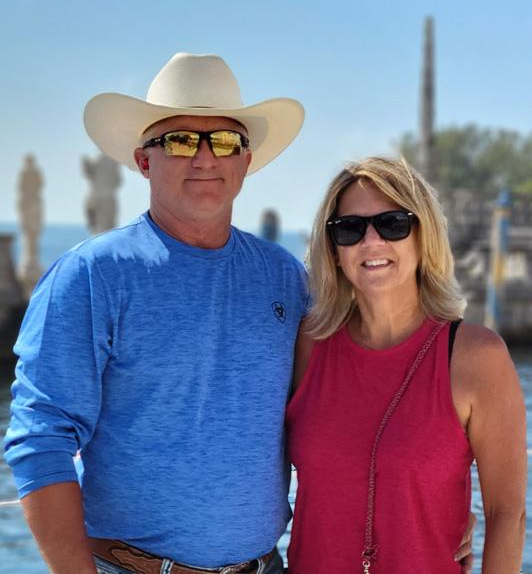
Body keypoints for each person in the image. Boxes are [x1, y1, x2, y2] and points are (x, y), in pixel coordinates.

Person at [4, 52, 307, 574]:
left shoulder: (286, 277)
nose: (205, 158)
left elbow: (330, 412)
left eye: (225, 141)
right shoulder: (91, 275)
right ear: (144, 161)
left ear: (246, 160)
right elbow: (41, 439)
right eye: (181, 141)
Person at [286, 156, 527, 573]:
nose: (371, 241)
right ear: (334, 251)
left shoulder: (475, 357)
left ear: (423, 236)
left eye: (393, 224)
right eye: (349, 229)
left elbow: (507, 514)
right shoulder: (307, 345)